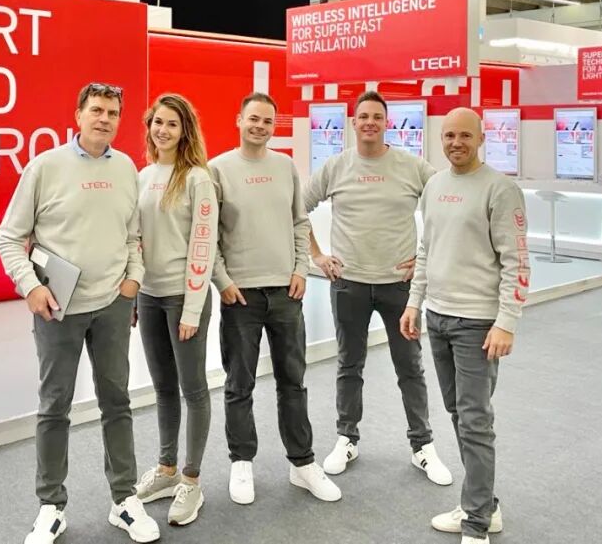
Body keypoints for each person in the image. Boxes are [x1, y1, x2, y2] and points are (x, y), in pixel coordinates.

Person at [0, 82, 160, 544]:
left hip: (112, 305)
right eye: (96, 110)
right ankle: (51, 506)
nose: (104, 118)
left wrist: (133, 281)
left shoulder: (126, 168)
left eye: (112, 112)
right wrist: (30, 286)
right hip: (58, 309)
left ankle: (124, 499)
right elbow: (9, 237)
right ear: (78, 115)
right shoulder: (45, 167)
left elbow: (133, 236)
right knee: (55, 406)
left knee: (117, 402)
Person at [304, 90, 451, 485]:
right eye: (363, 116)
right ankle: (346, 438)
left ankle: (422, 445)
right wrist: (317, 255)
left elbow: (449, 207)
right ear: (353, 122)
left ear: (387, 123)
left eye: (377, 117)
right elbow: (296, 209)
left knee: (410, 366)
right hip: (348, 284)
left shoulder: (411, 166)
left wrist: (425, 259)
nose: (370, 122)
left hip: (398, 287)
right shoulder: (335, 166)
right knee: (349, 364)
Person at [399, 107, 530, 544]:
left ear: (481, 139)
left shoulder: (501, 189)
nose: (456, 143)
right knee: (459, 413)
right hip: (437, 318)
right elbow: (426, 250)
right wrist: (415, 303)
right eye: (449, 135)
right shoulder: (435, 185)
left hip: (478, 324)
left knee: (474, 420)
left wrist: (506, 322)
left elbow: (517, 262)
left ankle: (476, 524)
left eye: (465, 136)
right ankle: (484, 505)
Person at [210, 92, 342, 506]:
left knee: (293, 382)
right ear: (239, 120)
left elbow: (300, 222)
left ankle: (302, 463)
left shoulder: (285, 167)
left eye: (267, 121)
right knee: (239, 384)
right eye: (253, 119)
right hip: (240, 295)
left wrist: (301, 269)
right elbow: (208, 235)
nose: (260, 126)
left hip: (286, 292)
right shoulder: (217, 169)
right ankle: (241, 462)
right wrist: (222, 280)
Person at [132, 94, 218, 527]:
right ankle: (166, 470)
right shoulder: (143, 175)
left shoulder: (198, 179)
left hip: (185, 298)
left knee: (193, 389)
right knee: (163, 387)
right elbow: (134, 241)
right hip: (148, 296)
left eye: (172, 124)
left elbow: (204, 244)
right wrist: (133, 295)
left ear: (185, 131)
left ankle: (191, 479)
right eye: (157, 123)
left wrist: (192, 309)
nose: (162, 130)